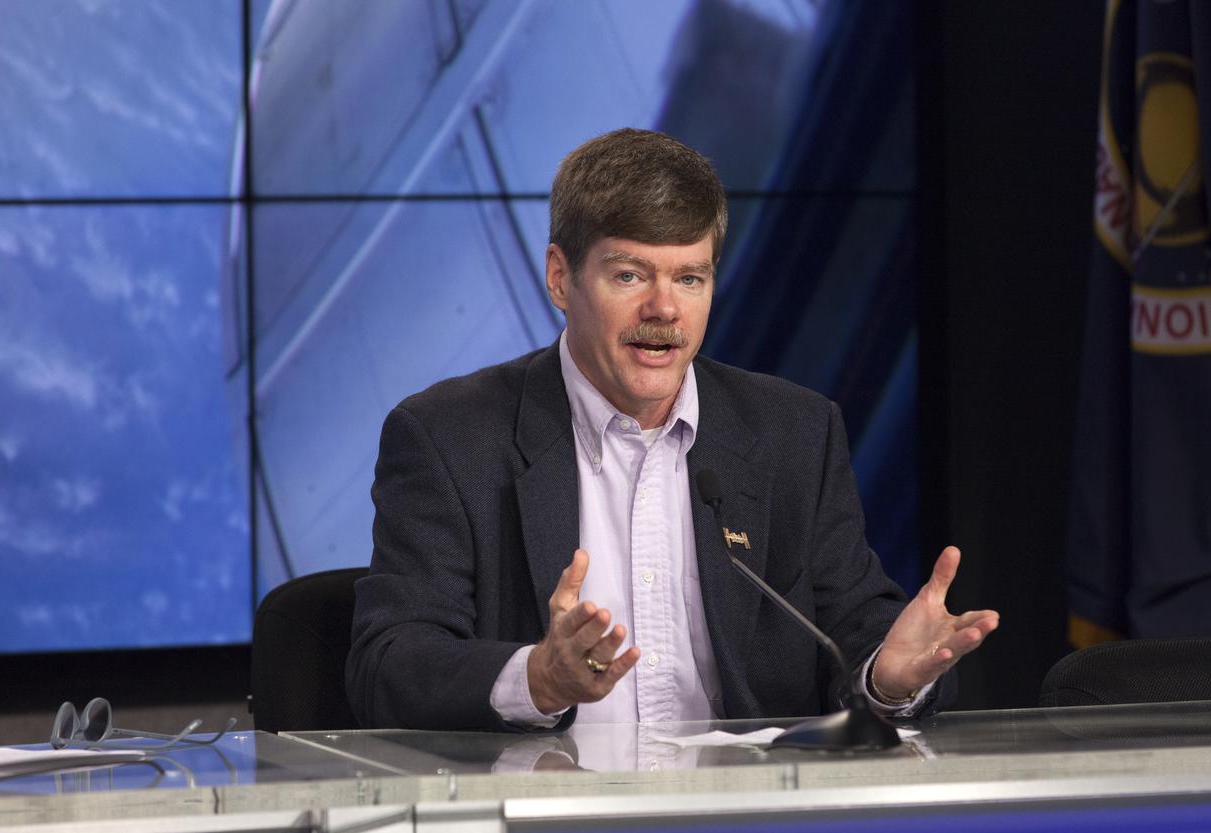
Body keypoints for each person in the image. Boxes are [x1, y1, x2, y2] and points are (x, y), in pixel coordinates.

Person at [346, 129, 998, 731]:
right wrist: (538, 678)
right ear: (559, 278)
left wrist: (886, 675)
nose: (663, 308)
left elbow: (854, 623)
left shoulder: (792, 431)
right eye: (629, 274)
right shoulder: (449, 438)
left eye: (690, 277)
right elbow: (388, 661)